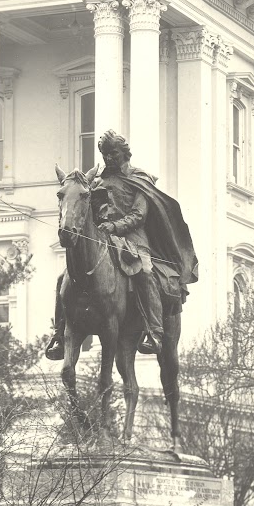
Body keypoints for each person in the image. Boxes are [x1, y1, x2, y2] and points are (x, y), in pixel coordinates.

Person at [45, 129, 198, 359]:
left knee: (145, 272)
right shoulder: (99, 181)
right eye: (105, 154)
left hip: (134, 240)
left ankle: (154, 331)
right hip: (105, 237)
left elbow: (139, 215)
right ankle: (58, 334)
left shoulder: (140, 178)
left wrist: (115, 226)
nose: (109, 159)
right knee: (62, 278)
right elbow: (89, 210)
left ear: (124, 153)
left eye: (113, 153)